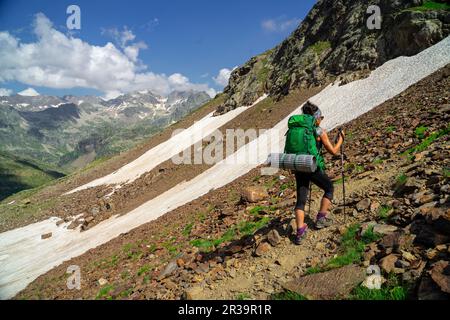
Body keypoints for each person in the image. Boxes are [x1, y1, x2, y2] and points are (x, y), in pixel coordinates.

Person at [289, 101, 344, 245]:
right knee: (329, 188)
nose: (321, 120)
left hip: (299, 164)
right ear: (316, 116)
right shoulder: (319, 130)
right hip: (312, 166)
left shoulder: (297, 128)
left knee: (301, 199)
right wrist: (341, 140)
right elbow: (333, 151)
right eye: (321, 117)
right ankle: (321, 218)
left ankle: (300, 232)